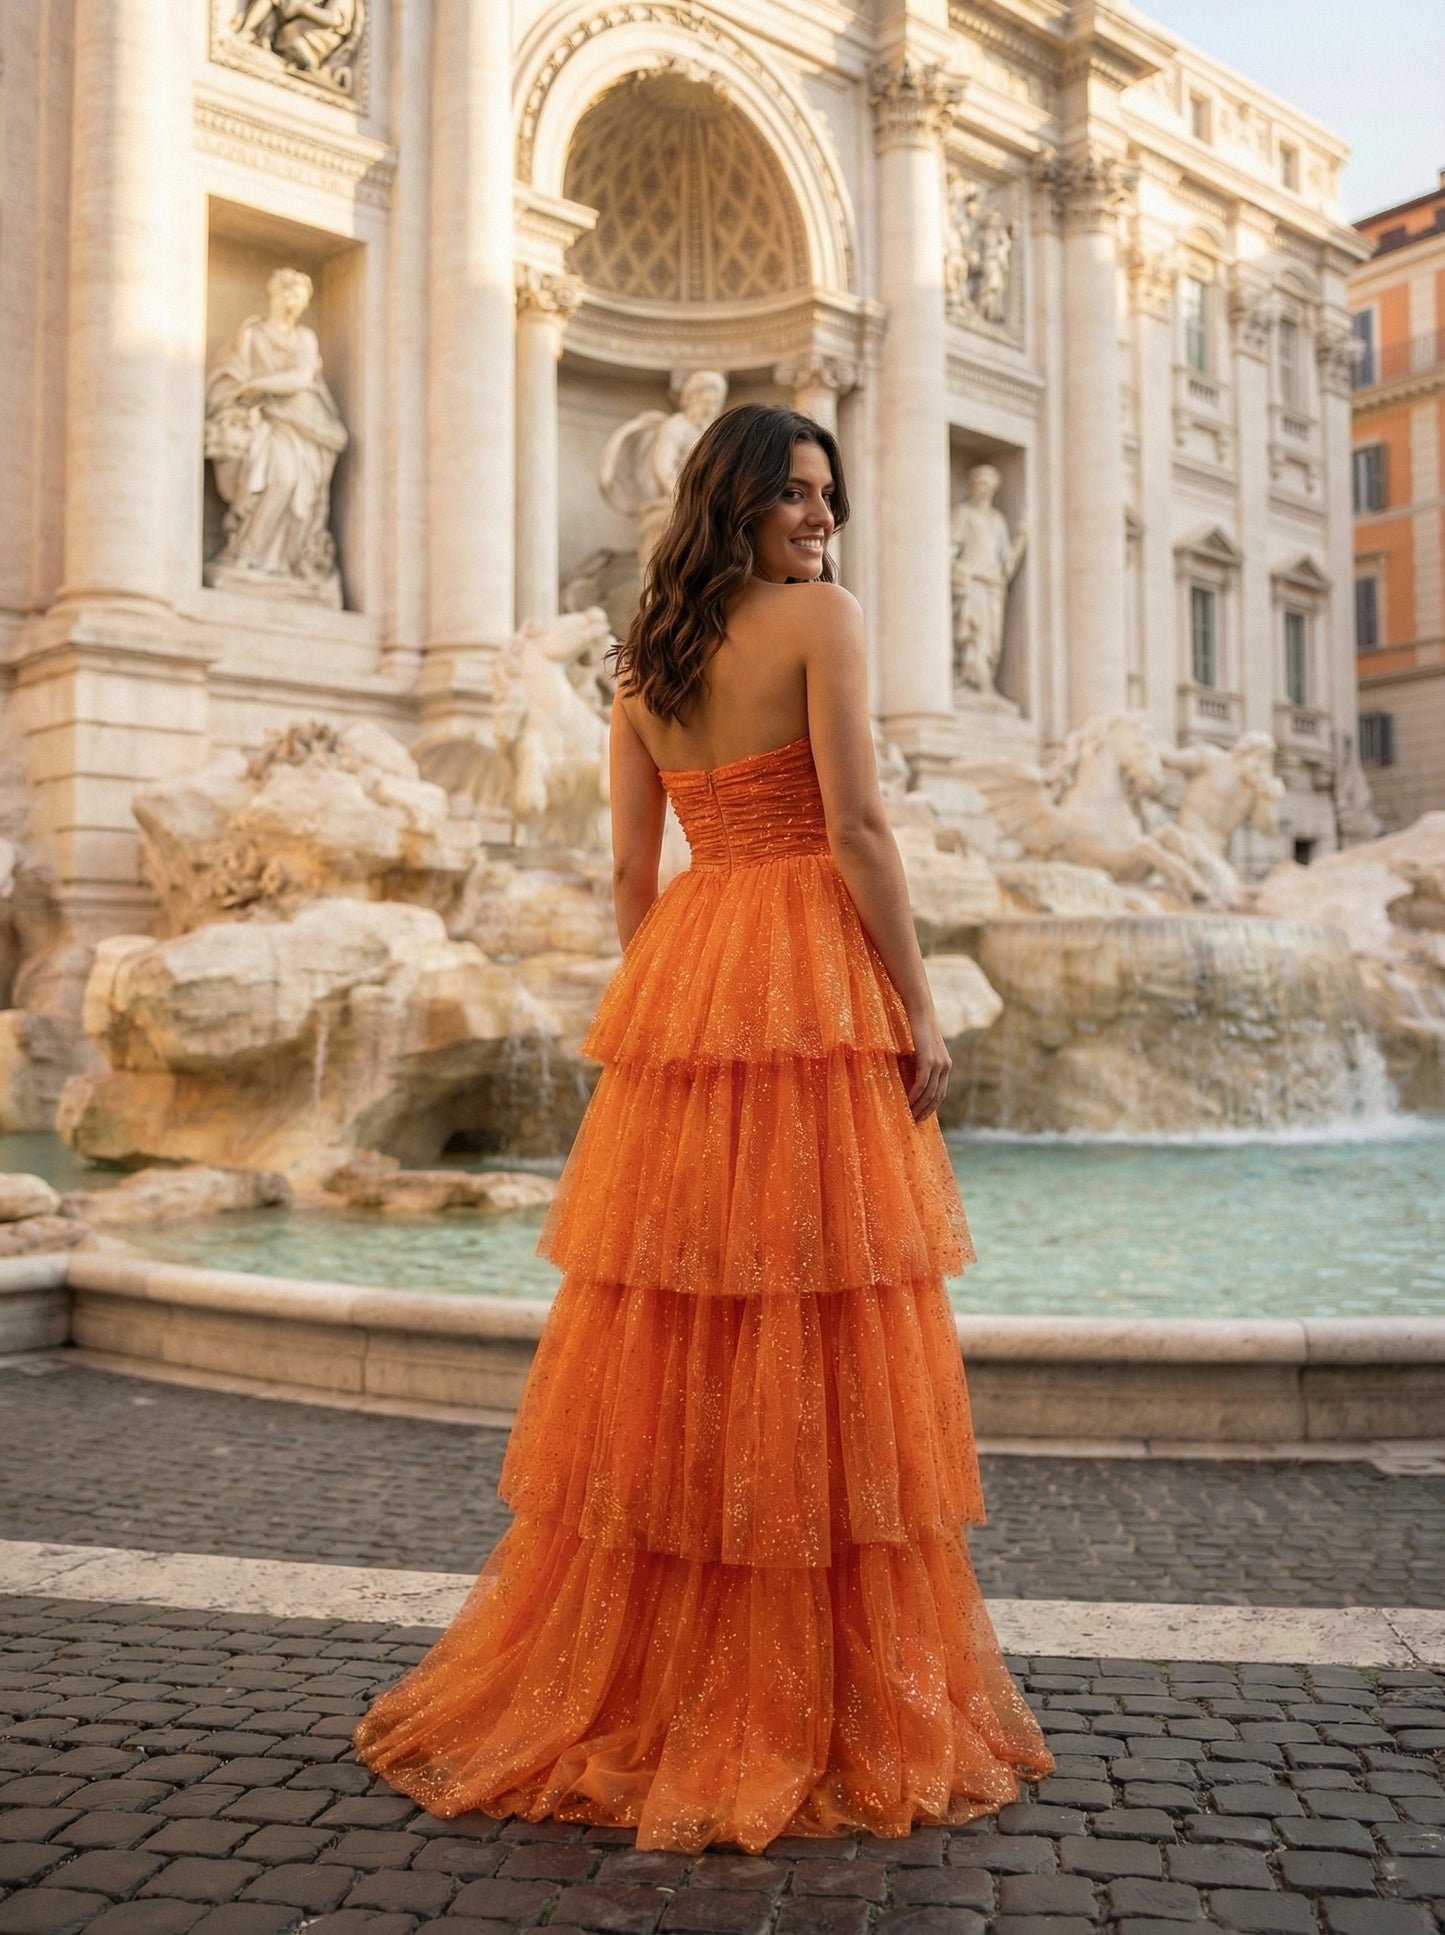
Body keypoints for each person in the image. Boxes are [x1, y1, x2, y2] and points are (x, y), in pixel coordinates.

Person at [353, 402, 1053, 1852]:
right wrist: (914, 1005)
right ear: (737, 500)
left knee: (682, 1320)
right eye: (798, 494)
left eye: (829, 494)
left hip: (695, 966)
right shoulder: (823, 623)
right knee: (822, 1304)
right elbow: (857, 828)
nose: (821, 518)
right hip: (805, 959)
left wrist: (668, 998)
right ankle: (804, 1685)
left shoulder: (641, 656)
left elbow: (628, 866)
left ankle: (658, 1673)